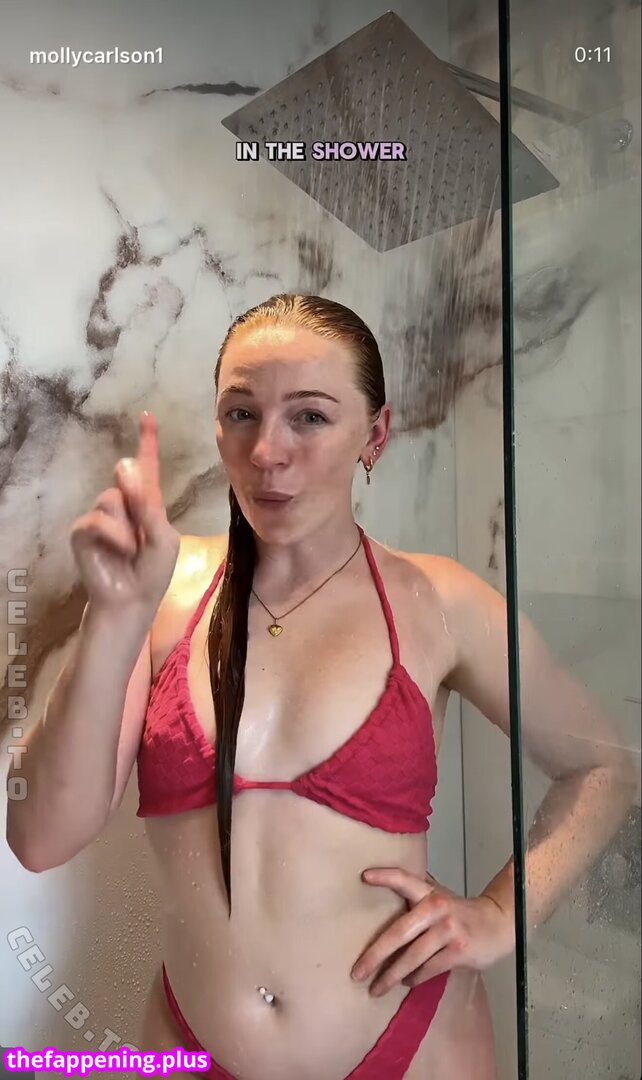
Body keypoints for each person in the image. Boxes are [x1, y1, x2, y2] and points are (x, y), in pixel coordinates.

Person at [7, 294, 636, 1080]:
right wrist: (115, 614)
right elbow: (40, 839)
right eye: (242, 413)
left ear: (376, 434)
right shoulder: (157, 593)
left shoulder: (440, 602)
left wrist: (502, 915)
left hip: (416, 1044)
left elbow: (604, 766)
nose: (268, 451)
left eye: (309, 416)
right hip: (192, 1045)